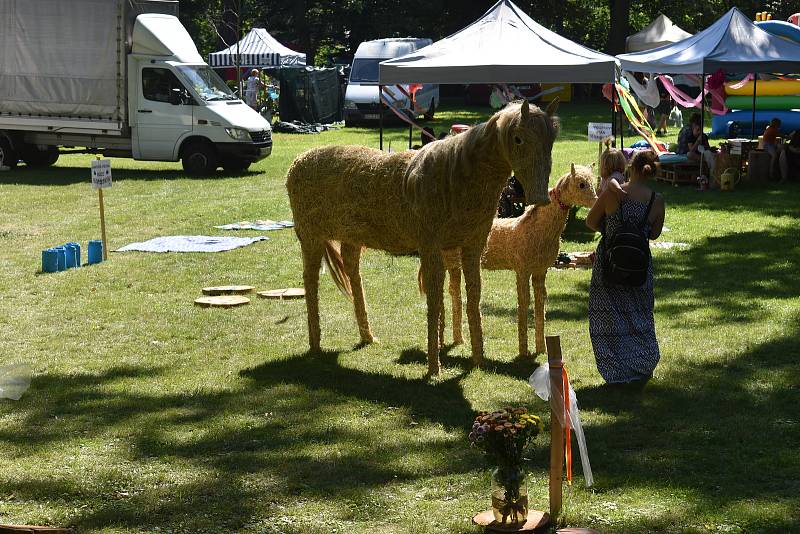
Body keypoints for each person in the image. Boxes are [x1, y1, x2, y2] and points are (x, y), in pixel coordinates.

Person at [585, 150, 665, 385]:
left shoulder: (613, 192)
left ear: (631, 167)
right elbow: (655, 234)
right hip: (639, 266)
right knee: (639, 315)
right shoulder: (656, 200)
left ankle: (615, 371)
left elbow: (590, 221)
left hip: (609, 262)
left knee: (608, 317)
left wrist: (611, 229)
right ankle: (641, 365)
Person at [676, 112, 716, 180]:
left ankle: (707, 163)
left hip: (697, 152)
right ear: (694, 124)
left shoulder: (699, 133)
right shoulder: (689, 131)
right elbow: (691, 150)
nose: (699, 131)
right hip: (685, 152)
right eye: (698, 128)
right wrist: (698, 141)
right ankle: (706, 162)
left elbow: (707, 148)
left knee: (709, 153)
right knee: (690, 154)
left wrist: (709, 148)